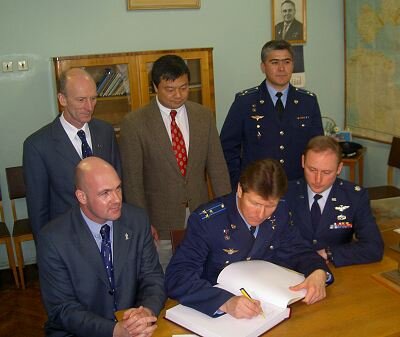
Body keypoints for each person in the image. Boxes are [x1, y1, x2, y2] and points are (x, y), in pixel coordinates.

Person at [165, 159, 332, 318]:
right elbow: (177, 276)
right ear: (240, 190)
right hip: (217, 309)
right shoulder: (208, 221)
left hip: (266, 304)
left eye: (270, 206)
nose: (261, 214)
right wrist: (225, 302)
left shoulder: (280, 211)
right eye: (255, 203)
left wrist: (318, 271)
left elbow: (297, 248)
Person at [119, 54, 231, 269]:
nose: (178, 95)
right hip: (160, 222)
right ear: (155, 87)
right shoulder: (135, 123)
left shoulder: (203, 116)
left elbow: (218, 168)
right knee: (163, 277)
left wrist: (226, 211)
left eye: (184, 87)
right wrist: (143, 224)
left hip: (201, 215)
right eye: (170, 89)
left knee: (201, 272)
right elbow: (133, 182)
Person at [37, 157, 166, 337]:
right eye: (105, 193)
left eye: (118, 188)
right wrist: (115, 331)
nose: (116, 199)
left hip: (133, 326)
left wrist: (146, 312)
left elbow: (153, 277)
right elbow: (62, 309)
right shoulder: (53, 238)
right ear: (82, 196)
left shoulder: (137, 220)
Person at [23, 68, 121, 239]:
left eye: (93, 99)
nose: (89, 107)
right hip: (68, 238)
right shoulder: (38, 145)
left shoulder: (105, 132)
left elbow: (119, 183)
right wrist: (46, 250)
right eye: (81, 100)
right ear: (63, 99)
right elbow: (38, 209)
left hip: (110, 231)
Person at [220, 40, 323, 189]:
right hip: (257, 187)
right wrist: (240, 182)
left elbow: (317, 147)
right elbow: (228, 148)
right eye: (274, 62)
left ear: (293, 65)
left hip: (297, 186)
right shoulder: (245, 102)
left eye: (287, 62)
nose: (281, 68)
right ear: (263, 66)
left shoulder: (308, 101)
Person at [285, 135, 384, 267]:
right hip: (291, 268)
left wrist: (329, 253)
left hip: (335, 270)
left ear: (339, 168)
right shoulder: (286, 193)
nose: (318, 179)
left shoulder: (355, 197)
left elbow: (374, 247)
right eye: (312, 170)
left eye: (326, 172)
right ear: (303, 161)